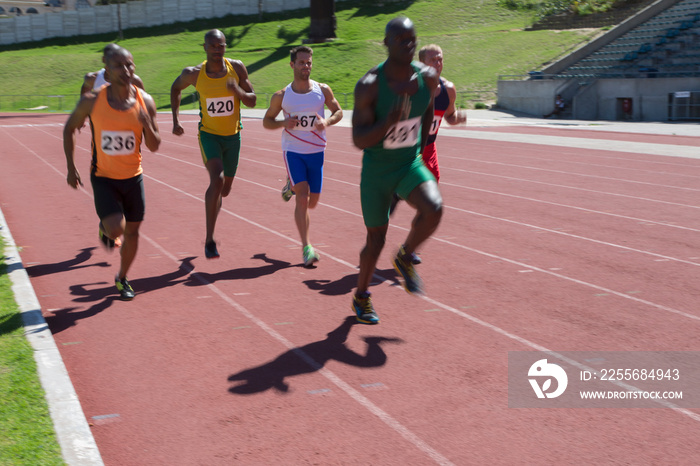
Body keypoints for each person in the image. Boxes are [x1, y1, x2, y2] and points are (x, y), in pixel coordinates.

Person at [350, 17, 442, 325]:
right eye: (401, 40)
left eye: (413, 40)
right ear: (386, 43)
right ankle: (361, 297)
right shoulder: (369, 85)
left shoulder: (427, 77)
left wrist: (421, 148)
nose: (409, 45)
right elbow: (358, 140)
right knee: (375, 240)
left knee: (434, 208)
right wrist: (387, 123)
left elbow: (427, 110)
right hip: (377, 170)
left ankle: (405, 256)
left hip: (408, 162)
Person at [64, 46, 161, 300]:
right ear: (106, 69)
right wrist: (71, 166)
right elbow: (69, 128)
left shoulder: (145, 101)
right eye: (118, 65)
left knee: (133, 232)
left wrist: (147, 124)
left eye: (129, 64)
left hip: (133, 177)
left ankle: (122, 277)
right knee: (117, 229)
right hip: (104, 177)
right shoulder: (92, 100)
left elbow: (154, 145)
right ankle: (106, 227)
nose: (125, 70)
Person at [170, 29, 257, 259]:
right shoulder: (194, 74)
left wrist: (236, 89)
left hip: (233, 136)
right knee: (216, 181)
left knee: (225, 190)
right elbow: (175, 88)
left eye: (222, 46)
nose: (218, 50)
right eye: (213, 46)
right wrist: (176, 120)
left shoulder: (236, 68)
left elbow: (252, 100)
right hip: (209, 135)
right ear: (205, 48)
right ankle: (209, 240)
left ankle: (214, 208)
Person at [262, 45, 343, 267]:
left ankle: (291, 186)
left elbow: (338, 111)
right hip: (293, 151)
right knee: (304, 196)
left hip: (316, 151)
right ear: (292, 65)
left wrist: (325, 122)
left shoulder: (322, 90)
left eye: (308, 62)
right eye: (301, 62)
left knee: (313, 201)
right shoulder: (282, 96)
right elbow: (266, 121)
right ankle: (307, 247)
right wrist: (282, 123)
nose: (306, 66)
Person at [417, 44, 467, 182]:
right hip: (408, 148)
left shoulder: (448, 90)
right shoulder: (411, 88)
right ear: (422, 63)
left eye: (440, 60)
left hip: (428, 149)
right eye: (433, 60)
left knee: (431, 191)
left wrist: (459, 118)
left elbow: (450, 116)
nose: (438, 64)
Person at [81, 43, 145, 95]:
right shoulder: (92, 79)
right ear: (104, 59)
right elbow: (83, 105)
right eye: (112, 57)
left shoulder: (134, 80)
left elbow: (144, 104)